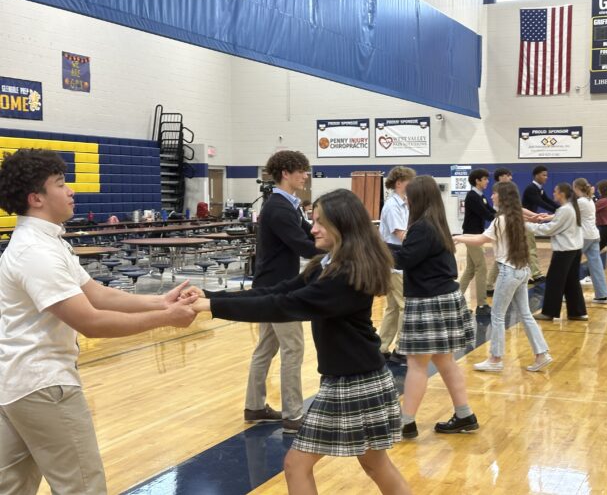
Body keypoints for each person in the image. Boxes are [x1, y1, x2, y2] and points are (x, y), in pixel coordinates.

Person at [182, 190, 410, 495]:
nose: (312, 228)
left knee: (297, 464)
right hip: (355, 377)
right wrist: (211, 297)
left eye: (320, 223)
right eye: (312, 220)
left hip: (355, 383)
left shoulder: (346, 275)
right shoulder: (325, 265)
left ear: (342, 226)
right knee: (374, 465)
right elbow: (277, 292)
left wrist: (211, 308)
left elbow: (283, 305)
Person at [0, 148, 198, 495]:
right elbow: (90, 321)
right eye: (61, 184)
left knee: (11, 487)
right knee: (83, 486)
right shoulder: (36, 252)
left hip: (17, 384)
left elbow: (96, 293)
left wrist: (159, 300)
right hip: (42, 384)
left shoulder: (45, 242)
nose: (71, 190)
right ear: (36, 198)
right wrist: (166, 318)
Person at [394, 175, 477, 439]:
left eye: (409, 195)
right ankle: (465, 414)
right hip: (444, 297)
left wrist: (373, 246)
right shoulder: (436, 223)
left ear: (419, 198)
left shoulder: (422, 227)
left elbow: (405, 260)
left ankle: (406, 422)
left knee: (417, 364)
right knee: (445, 360)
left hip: (428, 300)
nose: (405, 199)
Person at [245, 150, 319, 433]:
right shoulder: (278, 207)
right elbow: (303, 245)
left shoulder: (288, 204)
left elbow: (309, 231)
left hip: (269, 287)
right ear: (285, 173)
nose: (305, 176)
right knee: (293, 347)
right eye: (301, 171)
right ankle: (293, 414)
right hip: (278, 290)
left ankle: (254, 406)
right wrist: (340, 251)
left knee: (267, 346)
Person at [454, 181, 552, 372]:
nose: (492, 196)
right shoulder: (516, 218)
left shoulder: (501, 220)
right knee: (525, 314)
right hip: (522, 271)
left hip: (509, 272)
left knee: (497, 315)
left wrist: (457, 237)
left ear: (503, 197)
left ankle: (495, 359)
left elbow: (481, 239)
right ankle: (541, 354)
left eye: (495, 193)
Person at [529, 182, 588, 321]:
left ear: (561, 194)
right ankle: (577, 312)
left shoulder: (565, 209)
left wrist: (526, 226)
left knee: (554, 281)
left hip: (565, 251)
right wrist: (542, 218)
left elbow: (550, 229)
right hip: (574, 249)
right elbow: (556, 222)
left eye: (555, 191)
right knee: (571, 282)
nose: (553, 194)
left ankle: (549, 312)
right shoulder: (570, 207)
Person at [378, 166, 416, 364]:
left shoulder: (403, 204)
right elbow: (400, 234)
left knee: (393, 307)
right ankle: (401, 349)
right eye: (409, 182)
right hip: (395, 262)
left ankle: (382, 347)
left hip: (398, 261)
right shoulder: (393, 206)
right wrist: (423, 238)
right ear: (399, 183)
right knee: (404, 306)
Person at [458, 169, 495, 316]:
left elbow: (490, 211)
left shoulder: (480, 196)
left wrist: (505, 216)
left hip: (476, 235)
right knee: (481, 268)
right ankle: (482, 304)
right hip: (472, 236)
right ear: (477, 181)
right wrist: (503, 220)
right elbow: (486, 214)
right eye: (484, 179)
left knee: (471, 269)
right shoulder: (472, 196)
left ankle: (455, 300)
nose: (487, 181)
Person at [573, 178, 607, 304]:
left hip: (584, 236)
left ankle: (568, 295)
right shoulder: (590, 201)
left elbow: (567, 214)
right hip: (594, 235)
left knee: (570, 265)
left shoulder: (581, 201)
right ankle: (602, 295)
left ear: (576, 187)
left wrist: (545, 218)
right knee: (596, 266)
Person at [522, 165, 558, 284]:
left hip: (530, 220)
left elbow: (547, 200)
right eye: (544, 175)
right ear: (536, 175)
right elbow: (540, 202)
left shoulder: (539, 188)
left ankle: (528, 275)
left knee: (527, 248)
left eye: (547, 175)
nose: (546, 177)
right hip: (526, 221)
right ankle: (536, 275)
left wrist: (560, 208)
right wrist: (558, 210)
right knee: (530, 248)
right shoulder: (531, 188)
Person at [486, 168, 513, 296]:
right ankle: (488, 284)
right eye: (507, 175)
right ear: (501, 177)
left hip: (511, 268)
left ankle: (489, 284)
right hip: (501, 229)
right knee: (501, 256)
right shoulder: (501, 215)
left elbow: (518, 209)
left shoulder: (508, 191)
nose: (510, 177)